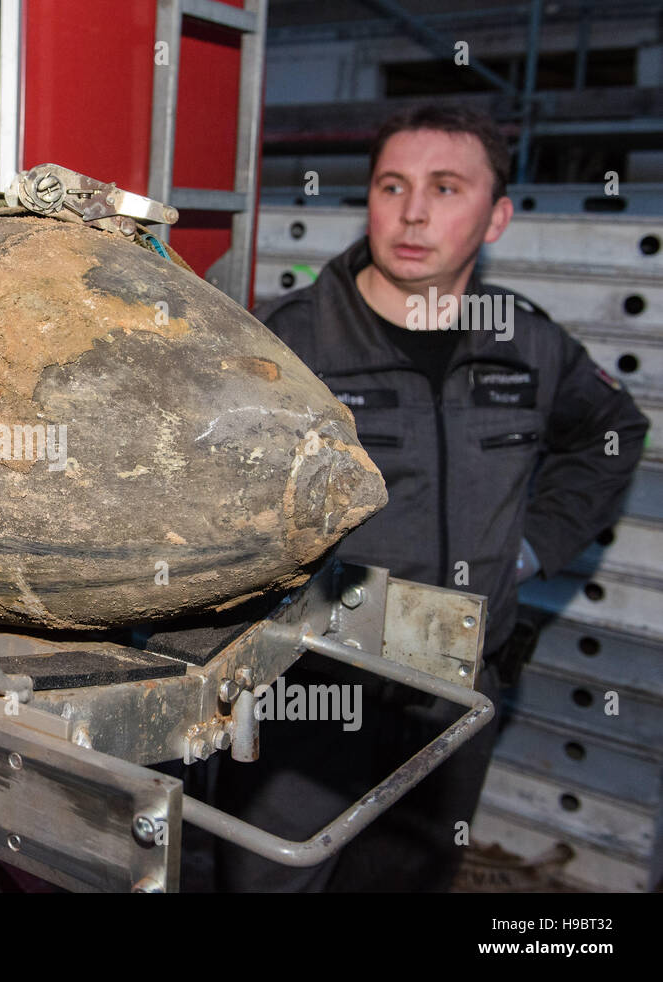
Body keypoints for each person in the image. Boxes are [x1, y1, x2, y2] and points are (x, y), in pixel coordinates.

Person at [212, 104, 649, 892]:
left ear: (498, 217)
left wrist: (530, 549)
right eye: (392, 185)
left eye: (446, 188)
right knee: (269, 880)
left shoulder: (526, 343)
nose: (413, 212)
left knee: (407, 880)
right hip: (311, 691)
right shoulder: (288, 342)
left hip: (455, 693)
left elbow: (608, 434)